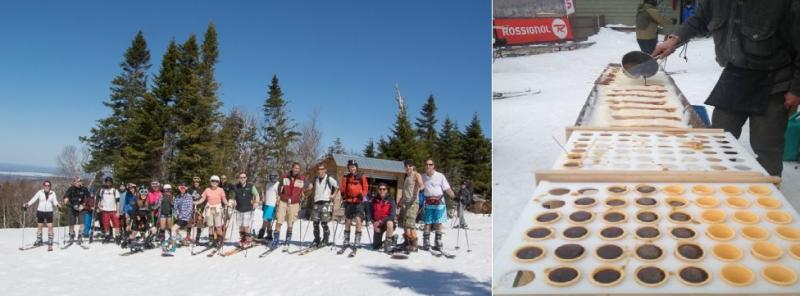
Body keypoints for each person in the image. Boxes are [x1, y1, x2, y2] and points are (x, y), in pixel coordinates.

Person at [652, 0, 800, 177]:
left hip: (774, 79)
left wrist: (796, 90)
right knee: (720, 137)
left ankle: (770, 192)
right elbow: (699, 19)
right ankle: (719, 181)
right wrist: (674, 39)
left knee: (766, 144)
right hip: (735, 76)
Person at [421, 159, 456, 251]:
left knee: (438, 222)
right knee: (427, 222)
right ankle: (426, 241)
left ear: (433, 166)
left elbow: (447, 189)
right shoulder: (423, 177)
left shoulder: (440, 176)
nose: (428, 166)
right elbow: (417, 187)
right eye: (426, 164)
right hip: (428, 202)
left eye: (430, 164)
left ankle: (438, 241)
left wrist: (454, 197)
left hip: (439, 202)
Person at [271, 163, 306, 249]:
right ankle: (276, 239)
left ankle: (288, 239)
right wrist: (279, 195)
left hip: (294, 202)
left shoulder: (302, 178)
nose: (296, 169)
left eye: (298, 168)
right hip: (284, 201)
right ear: (292, 168)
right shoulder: (285, 176)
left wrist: (303, 194)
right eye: (295, 168)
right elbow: (279, 186)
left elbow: (309, 186)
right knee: (279, 220)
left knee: (291, 222)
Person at [339, 159, 368, 253]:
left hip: (358, 201)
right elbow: (342, 187)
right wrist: (343, 193)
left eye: (354, 167)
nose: (352, 168)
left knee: (359, 220)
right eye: (350, 167)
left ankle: (357, 240)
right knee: (347, 220)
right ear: (348, 168)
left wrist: (362, 194)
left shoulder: (361, 177)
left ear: (356, 168)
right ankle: (346, 239)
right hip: (348, 201)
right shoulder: (346, 177)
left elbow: (366, 188)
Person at [22, 180, 60, 249]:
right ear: (43, 186)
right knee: (40, 226)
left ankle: (50, 240)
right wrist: (27, 204)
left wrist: (58, 205)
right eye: (46, 185)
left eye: (48, 185)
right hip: (40, 211)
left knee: (50, 226)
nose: (47, 187)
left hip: (49, 211)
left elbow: (55, 201)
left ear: (50, 186)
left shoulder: (53, 193)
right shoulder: (40, 192)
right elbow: (34, 199)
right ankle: (39, 239)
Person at [308, 164, 339, 247]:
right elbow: (310, 186)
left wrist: (333, 195)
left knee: (324, 223)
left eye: (322, 169)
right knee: (315, 222)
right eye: (319, 169)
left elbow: (337, 186)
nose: (320, 171)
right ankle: (316, 239)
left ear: (325, 170)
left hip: (326, 202)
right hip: (317, 202)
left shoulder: (329, 178)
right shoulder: (315, 179)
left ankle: (325, 239)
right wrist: (309, 187)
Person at [194, 175, 228, 248]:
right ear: (210, 181)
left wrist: (227, 203)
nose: (214, 182)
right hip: (209, 209)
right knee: (210, 226)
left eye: (216, 181)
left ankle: (220, 240)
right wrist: (197, 202)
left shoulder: (220, 190)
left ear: (218, 182)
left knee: (218, 226)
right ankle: (211, 240)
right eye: (213, 181)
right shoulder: (207, 189)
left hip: (218, 209)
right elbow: (202, 199)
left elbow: (224, 199)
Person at [397, 159, 423, 252]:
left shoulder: (416, 174)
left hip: (413, 203)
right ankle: (407, 242)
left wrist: (421, 187)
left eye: (409, 166)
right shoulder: (406, 176)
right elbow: (405, 192)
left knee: (411, 224)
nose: (408, 167)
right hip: (405, 202)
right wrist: (399, 202)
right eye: (406, 166)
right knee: (404, 223)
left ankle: (414, 244)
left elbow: (421, 184)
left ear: (413, 166)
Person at [230, 172, 260, 248]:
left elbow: (256, 195)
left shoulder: (251, 186)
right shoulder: (236, 186)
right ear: (239, 178)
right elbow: (233, 197)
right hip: (239, 209)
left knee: (246, 225)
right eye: (241, 177)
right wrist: (233, 202)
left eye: (244, 177)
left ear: (246, 178)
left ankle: (248, 240)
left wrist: (256, 202)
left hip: (248, 209)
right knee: (240, 225)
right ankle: (243, 239)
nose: (242, 179)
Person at [368, 183, 397, 253]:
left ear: (387, 190)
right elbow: (370, 214)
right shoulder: (374, 200)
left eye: (384, 189)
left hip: (386, 223)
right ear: (378, 190)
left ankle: (387, 245)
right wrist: (374, 223)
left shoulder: (391, 200)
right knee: (376, 246)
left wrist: (380, 221)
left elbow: (392, 216)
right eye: (380, 189)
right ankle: (393, 239)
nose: (382, 191)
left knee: (390, 223)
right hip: (378, 225)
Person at [63, 177, 91, 243]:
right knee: (71, 223)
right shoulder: (71, 189)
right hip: (72, 207)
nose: (79, 183)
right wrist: (66, 199)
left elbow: (89, 197)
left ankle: (80, 235)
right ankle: (72, 235)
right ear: (74, 182)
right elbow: (66, 196)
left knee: (82, 223)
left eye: (80, 181)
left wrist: (84, 205)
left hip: (81, 208)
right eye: (77, 181)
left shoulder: (84, 189)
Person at [169, 183, 194, 248]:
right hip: (178, 217)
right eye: (181, 188)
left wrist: (182, 215)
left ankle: (173, 245)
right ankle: (184, 242)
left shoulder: (189, 196)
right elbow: (175, 207)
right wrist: (176, 214)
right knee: (176, 231)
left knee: (173, 229)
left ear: (186, 189)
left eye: (183, 188)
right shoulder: (178, 197)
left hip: (185, 218)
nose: (182, 189)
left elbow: (190, 208)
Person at [97, 177, 121, 243]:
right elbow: (99, 199)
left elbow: (118, 202)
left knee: (116, 225)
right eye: (107, 182)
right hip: (105, 210)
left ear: (111, 182)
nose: (108, 183)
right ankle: (107, 236)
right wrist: (99, 206)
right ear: (105, 182)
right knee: (106, 225)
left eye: (109, 182)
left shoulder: (115, 190)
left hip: (113, 210)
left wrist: (118, 212)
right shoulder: (102, 190)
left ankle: (117, 236)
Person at [256, 175, 279, 241]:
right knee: (268, 220)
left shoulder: (278, 184)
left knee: (265, 220)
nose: (272, 179)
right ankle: (269, 235)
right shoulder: (268, 184)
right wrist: (263, 198)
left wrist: (278, 201)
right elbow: (266, 192)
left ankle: (261, 234)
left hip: (272, 205)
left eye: (273, 177)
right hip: (266, 204)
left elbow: (279, 194)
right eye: (271, 177)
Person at [188, 176, 204, 243]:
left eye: (197, 182)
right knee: (189, 222)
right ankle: (188, 237)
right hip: (191, 208)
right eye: (195, 182)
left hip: (199, 208)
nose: (196, 183)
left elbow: (204, 199)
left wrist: (202, 209)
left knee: (199, 223)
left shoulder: (202, 190)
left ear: (199, 182)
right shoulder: (190, 189)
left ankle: (197, 239)